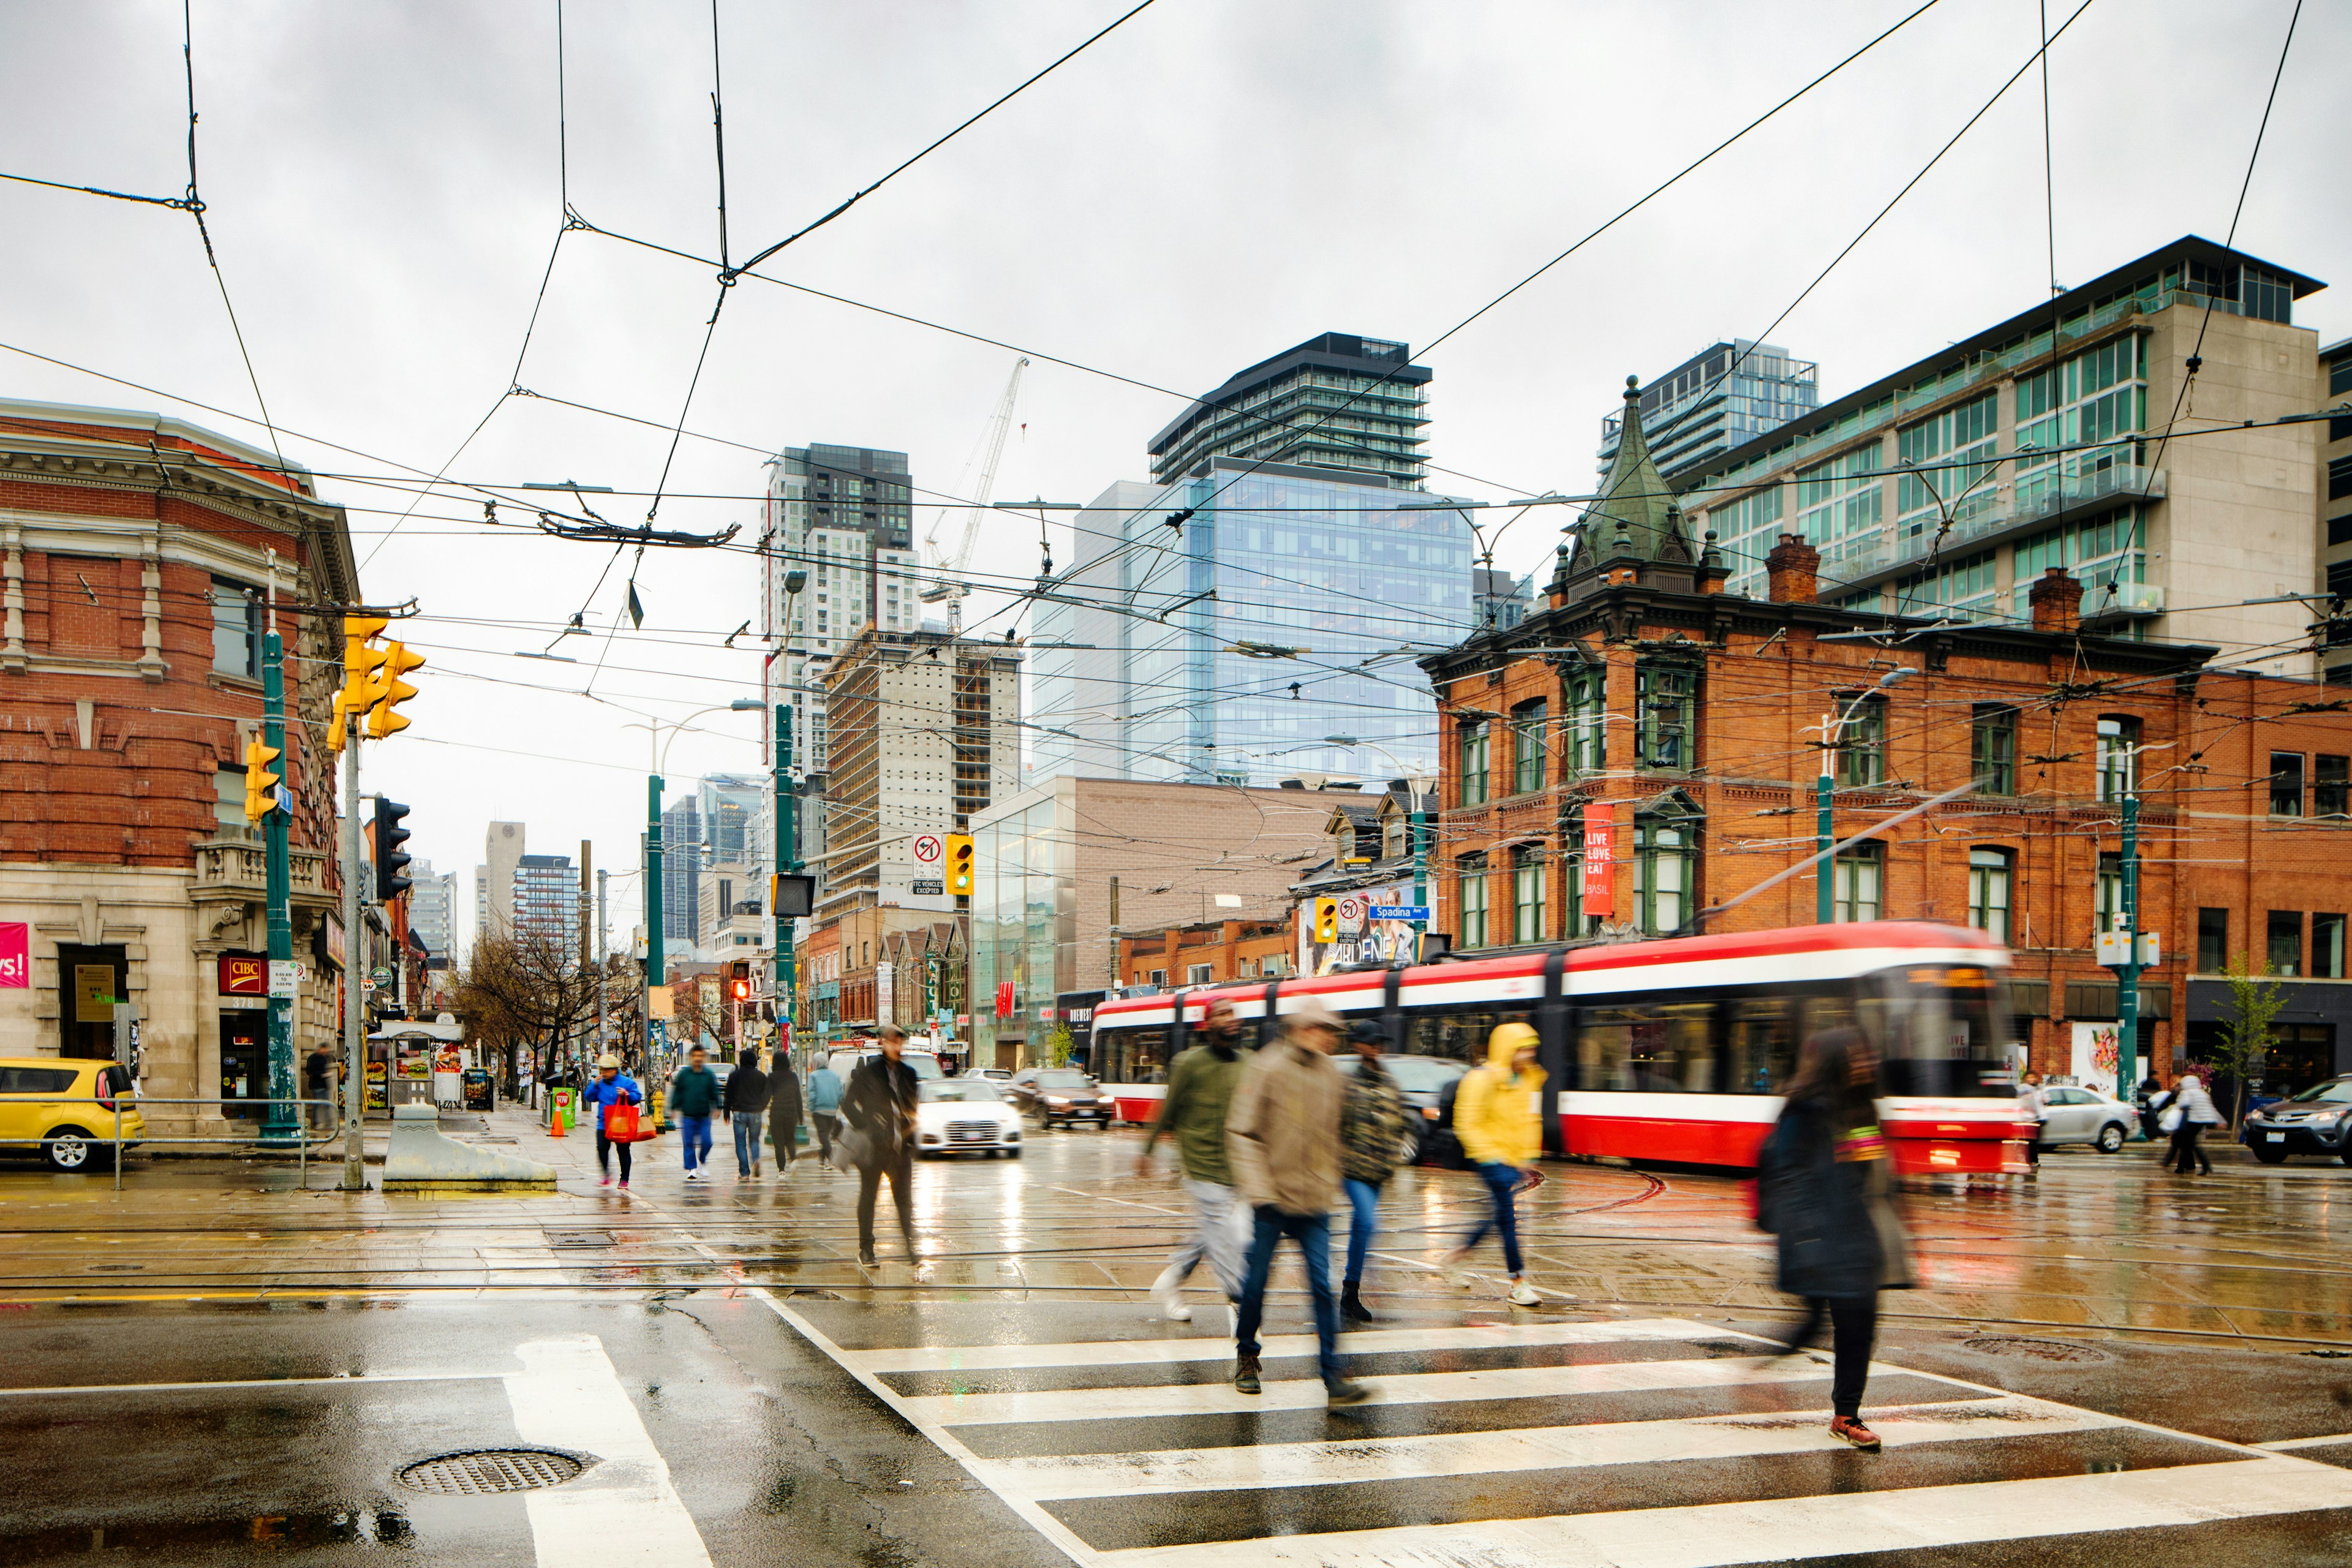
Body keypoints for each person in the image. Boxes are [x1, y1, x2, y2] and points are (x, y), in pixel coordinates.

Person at [1755, 1027, 1915, 1453]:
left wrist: (1897, 1222)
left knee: (1858, 1326)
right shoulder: (1806, 1112)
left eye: (1867, 1054)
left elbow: (1873, 1169)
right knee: (1815, 1323)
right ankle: (1762, 1374)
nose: (1865, 1062)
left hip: (1857, 1233)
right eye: (1855, 1056)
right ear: (1836, 1063)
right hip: (1823, 1236)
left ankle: (1846, 1415)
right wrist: (1806, 1234)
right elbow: (1788, 1174)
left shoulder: (1862, 1110)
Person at [1226, 998, 1370, 1406]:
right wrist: (1260, 1188)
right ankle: (1247, 1355)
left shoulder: (1331, 1074)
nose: (1326, 1037)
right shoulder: (1267, 1066)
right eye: (1319, 1029)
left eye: (1330, 1032)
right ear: (1300, 1030)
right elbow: (1241, 1133)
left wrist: (1333, 1176)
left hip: (1314, 1202)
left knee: (1322, 1289)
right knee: (1256, 1286)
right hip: (1271, 1198)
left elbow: (1337, 1133)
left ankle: (1332, 1376)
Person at [1134, 997, 1249, 1324]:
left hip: (1236, 1168)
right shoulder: (1189, 1063)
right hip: (1200, 1167)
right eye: (1223, 1013)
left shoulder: (1247, 1062)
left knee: (1211, 1233)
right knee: (1227, 1238)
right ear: (1207, 1025)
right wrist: (1147, 1151)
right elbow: (1167, 1110)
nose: (1231, 1018)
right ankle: (1238, 1302)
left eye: (1233, 1012)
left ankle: (1171, 1280)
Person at [1441, 1021, 1547, 1306]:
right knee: (1509, 1222)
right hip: (1490, 1161)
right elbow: (1467, 1123)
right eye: (1523, 1049)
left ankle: (1455, 1258)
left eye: (1531, 1049)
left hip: (1511, 1162)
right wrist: (1490, 1156)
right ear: (1507, 1049)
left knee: (1496, 1219)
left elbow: (1529, 1121)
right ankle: (1518, 1282)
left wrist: (1526, 1157)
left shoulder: (1527, 1080)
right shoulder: (1482, 1080)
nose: (1528, 1055)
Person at [1338, 1019, 1406, 1324]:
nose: (1377, 1047)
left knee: (1361, 1229)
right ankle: (1348, 1291)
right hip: (1352, 1169)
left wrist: (1393, 1155)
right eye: (1371, 1042)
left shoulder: (1389, 1082)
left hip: (1377, 1170)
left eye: (1380, 1042)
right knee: (1367, 1220)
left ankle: (1350, 1295)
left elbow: (1398, 1123)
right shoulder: (1349, 1083)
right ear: (1359, 1045)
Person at [843, 1027, 921, 1265]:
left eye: (900, 1042)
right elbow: (847, 1104)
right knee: (868, 1198)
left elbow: (912, 1109)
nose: (897, 1046)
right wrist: (867, 1126)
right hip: (874, 1149)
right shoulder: (870, 1073)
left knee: (904, 1201)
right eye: (892, 1041)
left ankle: (910, 1248)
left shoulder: (909, 1074)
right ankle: (866, 1249)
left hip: (900, 1149)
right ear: (883, 1043)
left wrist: (913, 1139)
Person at [578, 1054, 644, 1189]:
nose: (603, 1073)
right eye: (602, 1070)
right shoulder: (599, 1083)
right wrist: (594, 1085)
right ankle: (606, 1174)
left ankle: (624, 1179)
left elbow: (637, 1097)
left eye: (607, 1070)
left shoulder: (626, 1082)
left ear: (615, 1070)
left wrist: (627, 1094)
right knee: (602, 1148)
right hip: (604, 1122)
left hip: (622, 1123)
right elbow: (589, 1097)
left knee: (623, 1150)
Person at [670, 1046, 722, 1182]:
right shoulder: (685, 1074)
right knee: (688, 1143)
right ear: (691, 1057)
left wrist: (718, 1107)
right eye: (695, 1056)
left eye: (700, 1056)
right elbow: (678, 1092)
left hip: (704, 1116)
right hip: (688, 1116)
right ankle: (692, 1168)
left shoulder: (708, 1075)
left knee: (707, 1142)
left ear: (703, 1057)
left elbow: (714, 1092)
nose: (698, 1059)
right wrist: (674, 1107)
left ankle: (702, 1162)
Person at [724, 1049, 772, 1179]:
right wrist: (761, 1107)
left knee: (740, 1143)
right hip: (755, 1113)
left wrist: (727, 1113)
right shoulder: (761, 1076)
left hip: (739, 1113)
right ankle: (756, 1159)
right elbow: (768, 1093)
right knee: (754, 1140)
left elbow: (728, 1095)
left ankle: (744, 1172)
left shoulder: (735, 1076)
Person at [2168, 1071, 2219, 1175]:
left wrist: (2179, 1104)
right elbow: (2211, 1108)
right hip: (2201, 1122)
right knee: (2189, 1144)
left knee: (2188, 1144)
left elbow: (2183, 1104)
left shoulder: (2187, 1092)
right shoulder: (2203, 1093)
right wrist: (2219, 1121)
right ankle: (2195, 1166)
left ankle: (2201, 1166)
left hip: (2191, 1121)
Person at [769, 1049, 803, 1173]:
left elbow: (767, 1095)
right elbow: (798, 1097)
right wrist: (800, 1115)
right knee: (790, 1139)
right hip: (791, 1112)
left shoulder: (772, 1077)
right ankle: (793, 1159)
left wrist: (758, 1107)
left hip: (777, 1112)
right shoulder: (793, 1076)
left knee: (778, 1143)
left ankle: (781, 1170)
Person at [808, 1057, 845, 1166]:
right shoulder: (835, 1076)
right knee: (826, 1135)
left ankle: (831, 1157)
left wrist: (812, 1108)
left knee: (823, 1136)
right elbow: (841, 1093)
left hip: (819, 1110)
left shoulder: (814, 1076)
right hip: (832, 1110)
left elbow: (812, 1093)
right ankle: (822, 1158)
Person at [2017, 1071, 2046, 1172]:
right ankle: (2030, 1160)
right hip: (2027, 1118)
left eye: (2033, 1077)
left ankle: (2032, 1160)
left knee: (2033, 1141)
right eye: (2029, 1078)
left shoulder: (2039, 1089)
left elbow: (2043, 1102)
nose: (2031, 1079)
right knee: (2029, 1141)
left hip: (2037, 1118)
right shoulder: (2023, 1090)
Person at [303, 1043, 334, 1133]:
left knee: (327, 1105)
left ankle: (328, 1123)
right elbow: (310, 1071)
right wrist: (322, 1075)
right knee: (317, 1105)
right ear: (321, 1049)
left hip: (324, 1085)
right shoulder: (313, 1058)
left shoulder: (325, 1057)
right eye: (325, 1049)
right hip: (316, 1085)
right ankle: (317, 1124)